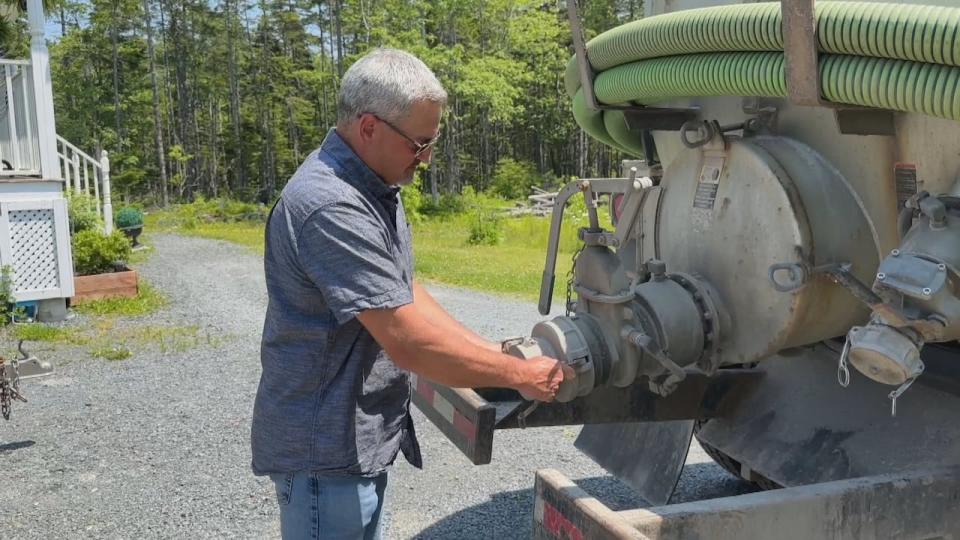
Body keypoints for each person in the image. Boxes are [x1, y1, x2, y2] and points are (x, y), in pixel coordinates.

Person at [251, 48, 572, 540]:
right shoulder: (331, 206)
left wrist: (490, 352)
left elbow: (403, 293)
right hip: (326, 459)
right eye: (418, 143)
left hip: (354, 447)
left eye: (432, 141)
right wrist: (518, 374)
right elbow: (406, 340)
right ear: (369, 128)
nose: (426, 158)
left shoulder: (373, 188)